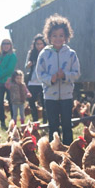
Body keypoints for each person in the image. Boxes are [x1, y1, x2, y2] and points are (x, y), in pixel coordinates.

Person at [37, 14, 80, 145]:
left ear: (66, 37)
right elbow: (40, 74)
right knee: (53, 126)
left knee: (67, 125)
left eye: (61, 35)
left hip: (66, 96)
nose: (58, 38)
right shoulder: (44, 54)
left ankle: (69, 151)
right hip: (50, 97)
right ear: (49, 37)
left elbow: (77, 73)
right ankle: (52, 152)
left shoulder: (71, 54)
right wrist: (52, 78)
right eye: (54, 35)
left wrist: (65, 76)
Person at [0, 38, 17, 129]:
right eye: (4, 44)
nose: (6, 45)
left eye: (8, 44)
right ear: (1, 45)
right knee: (0, 103)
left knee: (11, 102)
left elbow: (10, 69)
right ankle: (2, 122)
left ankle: (13, 122)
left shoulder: (12, 56)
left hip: (9, 81)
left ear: (10, 45)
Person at [24, 33, 46, 123]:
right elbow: (26, 66)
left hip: (43, 81)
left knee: (44, 103)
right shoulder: (31, 53)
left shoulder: (47, 53)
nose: (39, 46)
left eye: (41, 44)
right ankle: (35, 120)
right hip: (33, 81)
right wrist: (29, 64)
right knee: (32, 102)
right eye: (37, 44)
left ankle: (45, 121)